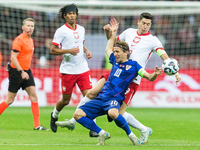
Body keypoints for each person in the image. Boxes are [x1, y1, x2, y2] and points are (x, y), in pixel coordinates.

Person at [56, 12, 181, 143]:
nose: (145, 26)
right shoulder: (129, 32)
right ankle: (73, 121)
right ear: (138, 22)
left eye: (148, 24)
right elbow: (113, 43)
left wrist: (175, 72)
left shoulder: (153, 40)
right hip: (116, 69)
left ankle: (143, 129)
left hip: (132, 77)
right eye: (143, 23)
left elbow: (164, 56)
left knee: (117, 114)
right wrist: (109, 32)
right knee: (92, 92)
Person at [73, 19, 162, 145]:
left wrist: (155, 74)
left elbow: (148, 76)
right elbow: (108, 48)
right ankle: (102, 133)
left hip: (114, 99)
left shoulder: (134, 66)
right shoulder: (115, 60)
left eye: (117, 52)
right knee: (77, 114)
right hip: (101, 97)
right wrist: (113, 33)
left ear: (126, 52)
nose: (114, 54)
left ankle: (131, 136)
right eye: (114, 52)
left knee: (114, 113)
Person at [50, 4, 92, 133]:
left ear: (76, 15)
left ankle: (93, 129)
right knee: (66, 100)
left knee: (90, 97)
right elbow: (52, 50)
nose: (72, 15)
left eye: (74, 13)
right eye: (69, 14)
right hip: (68, 70)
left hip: (83, 69)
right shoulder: (61, 31)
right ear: (65, 16)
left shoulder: (81, 29)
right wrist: (68, 50)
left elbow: (81, 43)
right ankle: (54, 115)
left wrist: (86, 51)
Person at [0, 18, 49, 130]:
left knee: (34, 96)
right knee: (10, 100)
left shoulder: (31, 40)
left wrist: (25, 71)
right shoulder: (19, 40)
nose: (30, 28)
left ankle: (37, 125)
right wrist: (21, 71)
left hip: (27, 71)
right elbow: (13, 57)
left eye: (32, 26)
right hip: (16, 72)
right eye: (28, 25)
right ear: (23, 27)